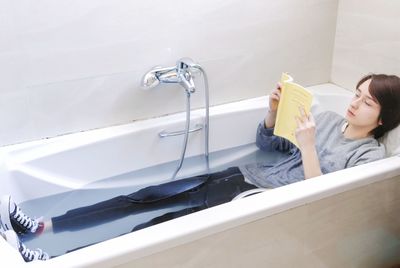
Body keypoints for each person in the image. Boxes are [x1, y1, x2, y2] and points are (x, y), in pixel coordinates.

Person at [1, 73, 400, 262]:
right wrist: (272, 113)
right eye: (357, 93)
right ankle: (39, 227)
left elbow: (319, 200)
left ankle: (57, 260)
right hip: (243, 174)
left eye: (367, 102)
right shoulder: (328, 118)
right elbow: (268, 145)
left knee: (155, 229)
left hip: (257, 198)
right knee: (140, 197)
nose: (354, 102)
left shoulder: (368, 158)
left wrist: (309, 147)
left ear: (383, 118)